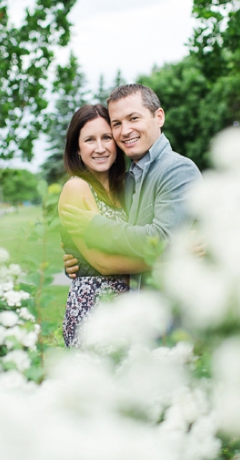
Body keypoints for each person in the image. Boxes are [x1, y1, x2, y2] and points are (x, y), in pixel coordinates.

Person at [60, 84, 202, 289]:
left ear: (159, 117)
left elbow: (161, 239)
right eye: (116, 124)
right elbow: (110, 257)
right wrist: (81, 261)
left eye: (134, 118)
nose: (125, 131)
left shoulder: (178, 169)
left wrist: (93, 226)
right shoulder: (127, 181)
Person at [58, 104, 150, 347]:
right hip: (93, 311)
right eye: (89, 139)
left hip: (129, 312)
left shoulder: (127, 189)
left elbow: (141, 237)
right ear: (77, 149)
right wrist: (169, 258)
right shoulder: (76, 188)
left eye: (106, 138)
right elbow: (103, 262)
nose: (100, 148)